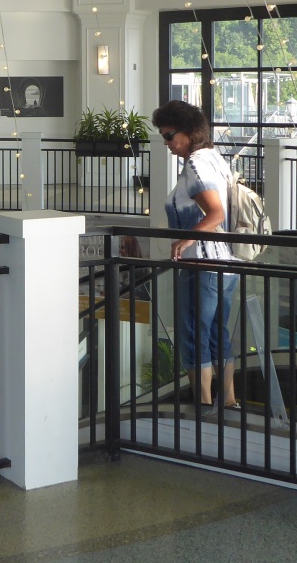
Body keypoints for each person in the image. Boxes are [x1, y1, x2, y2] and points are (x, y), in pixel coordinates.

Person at [123, 100, 239, 409]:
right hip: (225, 264)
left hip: (201, 263)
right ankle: (228, 401)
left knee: (193, 334)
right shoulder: (215, 158)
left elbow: (215, 213)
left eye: (169, 135)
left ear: (189, 132)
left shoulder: (195, 165)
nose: (167, 143)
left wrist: (185, 240)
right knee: (217, 333)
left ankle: (203, 405)